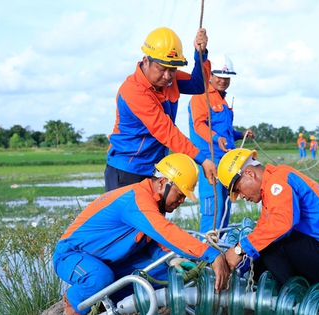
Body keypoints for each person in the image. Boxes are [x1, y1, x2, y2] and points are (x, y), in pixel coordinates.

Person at [54, 153, 230, 315]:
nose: (182, 200)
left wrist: (172, 259)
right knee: (99, 277)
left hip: (111, 261)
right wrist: (211, 254)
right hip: (72, 254)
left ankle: (103, 303)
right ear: (162, 183)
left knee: (165, 274)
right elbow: (166, 232)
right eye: (180, 193)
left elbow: (152, 243)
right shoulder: (136, 198)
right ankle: (73, 302)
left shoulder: (152, 205)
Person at [218, 148, 319, 291]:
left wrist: (240, 249)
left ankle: (298, 300)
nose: (242, 196)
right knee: (258, 264)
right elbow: (262, 231)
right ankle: (309, 291)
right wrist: (239, 264)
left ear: (249, 173)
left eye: (238, 189)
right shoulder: (270, 192)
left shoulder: (278, 181)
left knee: (272, 244)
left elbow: (282, 224)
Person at [104, 26, 217, 192]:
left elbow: (198, 85)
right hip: (127, 169)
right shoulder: (133, 91)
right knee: (131, 218)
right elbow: (166, 131)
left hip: (153, 168)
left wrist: (201, 54)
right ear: (146, 61)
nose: (167, 76)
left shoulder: (169, 80)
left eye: (173, 70)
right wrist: (203, 159)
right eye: (162, 69)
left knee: (154, 217)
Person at [188, 53, 254, 233]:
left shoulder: (222, 100)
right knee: (213, 204)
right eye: (219, 76)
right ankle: (206, 247)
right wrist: (217, 138)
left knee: (226, 203)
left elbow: (226, 132)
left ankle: (221, 246)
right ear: (210, 75)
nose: (223, 80)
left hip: (227, 161)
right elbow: (199, 125)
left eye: (227, 77)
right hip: (210, 159)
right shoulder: (201, 96)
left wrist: (241, 134)